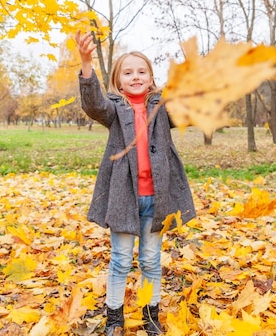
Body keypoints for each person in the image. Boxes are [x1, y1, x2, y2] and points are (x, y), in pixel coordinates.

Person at [75, 31, 196, 336]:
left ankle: (150, 314)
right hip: (124, 198)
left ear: (151, 78)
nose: (136, 76)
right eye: (128, 72)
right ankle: (114, 317)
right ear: (118, 81)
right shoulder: (114, 108)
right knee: (119, 260)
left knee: (151, 261)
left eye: (142, 72)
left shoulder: (161, 107)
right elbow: (93, 104)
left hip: (158, 198)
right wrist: (87, 64)